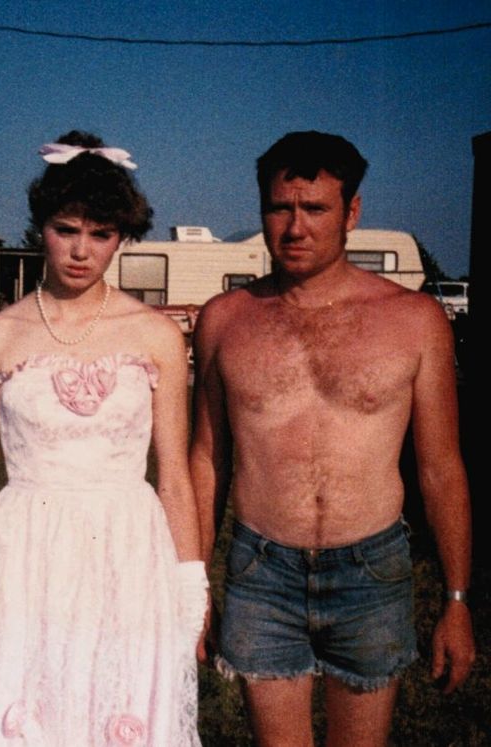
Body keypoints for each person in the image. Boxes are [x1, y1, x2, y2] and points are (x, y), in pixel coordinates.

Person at [189, 131, 474, 746]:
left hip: (370, 571)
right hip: (261, 570)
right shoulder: (225, 319)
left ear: (352, 213)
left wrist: (455, 599)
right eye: (279, 208)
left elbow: (442, 469)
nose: (295, 227)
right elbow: (206, 460)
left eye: (315, 209)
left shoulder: (414, 320)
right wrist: (194, 583)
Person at [0, 130, 206, 746]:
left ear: (121, 237)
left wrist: (192, 584)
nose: (82, 251)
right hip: (22, 558)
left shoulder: (157, 336)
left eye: (101, 234)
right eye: (66, 229)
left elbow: (176, 478)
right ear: (40, 227)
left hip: (127, 555)